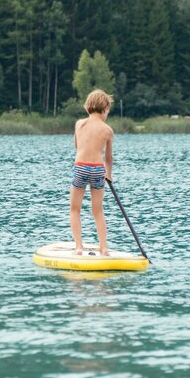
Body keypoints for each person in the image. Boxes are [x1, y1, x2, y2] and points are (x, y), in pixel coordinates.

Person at [70, 89, 114, 256]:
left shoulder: (79, 124)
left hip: (81, 166)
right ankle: (104, 248)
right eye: (108, 110)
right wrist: (109, 174)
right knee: (98, 210)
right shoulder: (108, 130)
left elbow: (77, 146)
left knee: (75, 209)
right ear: (104, 109)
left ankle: (79, 247)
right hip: (98, 169)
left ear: (88, 107)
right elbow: (109, 158)